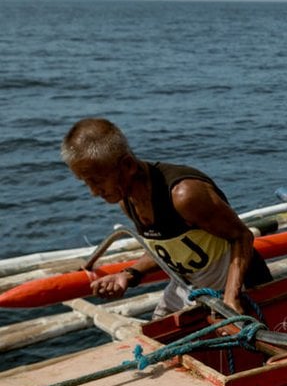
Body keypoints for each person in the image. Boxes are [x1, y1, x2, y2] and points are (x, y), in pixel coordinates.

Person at [61, 118, 272, 319]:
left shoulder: (185, 196)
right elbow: (169, 247)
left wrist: (231, 297)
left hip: (241, 287)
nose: (94, 192)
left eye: (97, 181)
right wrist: (129, 274)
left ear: (128, 166)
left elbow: (242, 236)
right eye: (86, 183)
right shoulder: (127, 201)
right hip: (191, 288)